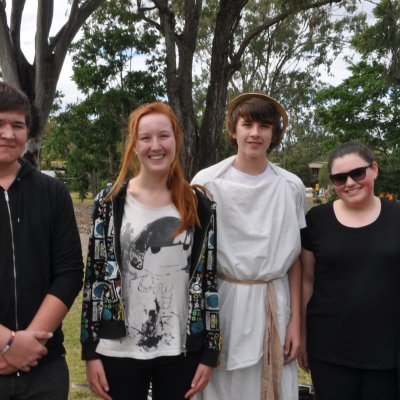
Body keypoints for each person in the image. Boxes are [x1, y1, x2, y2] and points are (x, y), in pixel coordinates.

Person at [80, 102, 221, 400]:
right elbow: (94, 278)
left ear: (176, 140)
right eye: (145, 138)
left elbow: (208, 280)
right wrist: (89, 351)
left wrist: (210, 351)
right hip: (119, 348)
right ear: (134, 144)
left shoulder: (200, 205)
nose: (155, 146)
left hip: (179, 348)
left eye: (163, 136)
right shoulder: (110, 202)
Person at [192, 92, 306, 400]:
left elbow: (294, 258)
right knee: (222, 386)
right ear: (233, 129)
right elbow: (193, 259)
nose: (255, 133)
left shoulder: (291, 186)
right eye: (248, 124)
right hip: (224, 302)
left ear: (273, 134)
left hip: (274, 303)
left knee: (272, 384)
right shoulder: (207, 182)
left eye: (264, 126)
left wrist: (296, 320)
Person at [0, 81, 83, 399]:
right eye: (0, 123)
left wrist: (30, 343)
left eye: (17, 125)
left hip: (44, 369)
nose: (9, 133)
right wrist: (8, 343)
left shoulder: (52, 193)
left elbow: (70, 271)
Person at [298, 141, 400, 400]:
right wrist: (302, 334)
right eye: (340, 178)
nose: (350, 183)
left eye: (358, 173)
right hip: (330, 351)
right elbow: (307, 281)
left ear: (374, 169)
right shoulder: (317, 221)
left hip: (388, 352)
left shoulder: (397, 217)